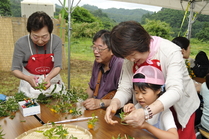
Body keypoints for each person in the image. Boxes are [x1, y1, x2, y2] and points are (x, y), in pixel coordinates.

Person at [104, 21, 200, 139]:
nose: (131, 60)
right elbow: (125, 87)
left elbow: (175, 90)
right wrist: (115, 103)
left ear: (141, 43)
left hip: (180, 106)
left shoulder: (170, 51)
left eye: (133, 55)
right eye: (126, 57)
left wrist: (145, 113)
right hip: (149, 106)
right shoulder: (130, 57)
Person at [11, 11, 65, 98]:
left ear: (50, 32)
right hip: (29, 80)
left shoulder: (56, 41)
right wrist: (26, 78)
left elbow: (58, 66)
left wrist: (48, 78)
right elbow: (15, 69)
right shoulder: (21, 43)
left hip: (52, 79)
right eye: (35, 37)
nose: (40, 41)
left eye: (45, 37)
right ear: (29, 32)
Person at [123, 65, 178, 139]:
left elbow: (174, 137)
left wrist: (147, 126)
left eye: (143, 93)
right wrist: (128, 113)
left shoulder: (164, 112)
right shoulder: (139, 106)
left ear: (158, 90)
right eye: (136, 92)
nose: (139, 97)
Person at [82, 30, 123, 110]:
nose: (95, 51)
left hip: (115, 112)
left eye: (100, 48)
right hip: (99, 109)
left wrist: (99, 103)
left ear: (112, 50)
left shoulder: (120, 64)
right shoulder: (97, 62)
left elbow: (126, 98)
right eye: (94, 47)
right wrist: (82, 102)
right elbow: (91, 88)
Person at [172, 36, 203, 126]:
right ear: (182, 51)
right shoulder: (179, 65)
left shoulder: (174, 63)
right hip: (183, 107)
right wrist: (202, 87)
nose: (190, 51)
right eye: (189, 48)